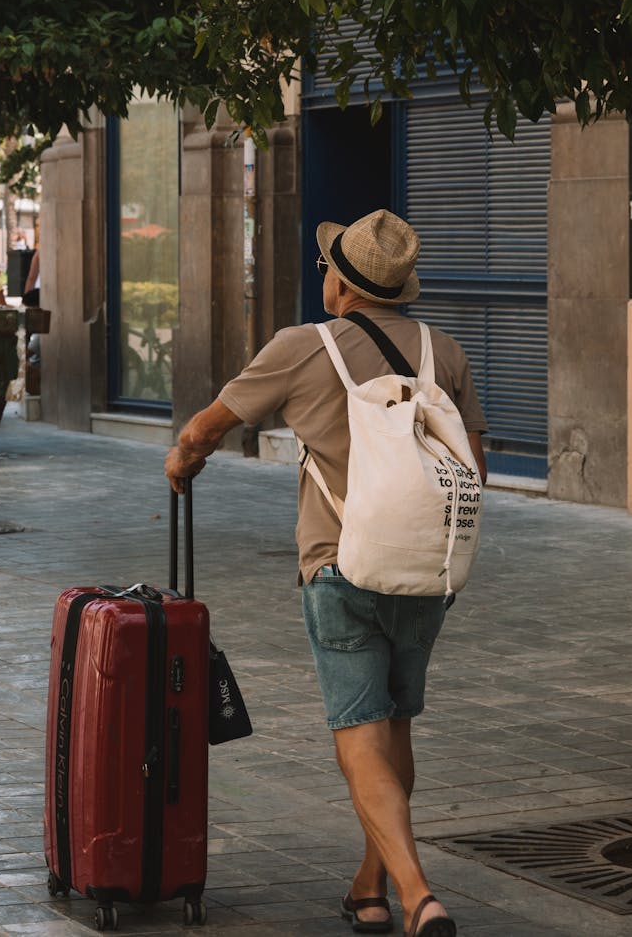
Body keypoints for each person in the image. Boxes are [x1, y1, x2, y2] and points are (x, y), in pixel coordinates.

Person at [165, 209, 488, 937]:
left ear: (341, 281)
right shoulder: (448, 353)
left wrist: (181, 462)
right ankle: (369, 888)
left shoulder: (302, 348)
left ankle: (418, 894)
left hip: (341, 570)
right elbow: (476, 469)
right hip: (428, 572)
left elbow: (204, 428)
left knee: (358, 734)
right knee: (395, 725)